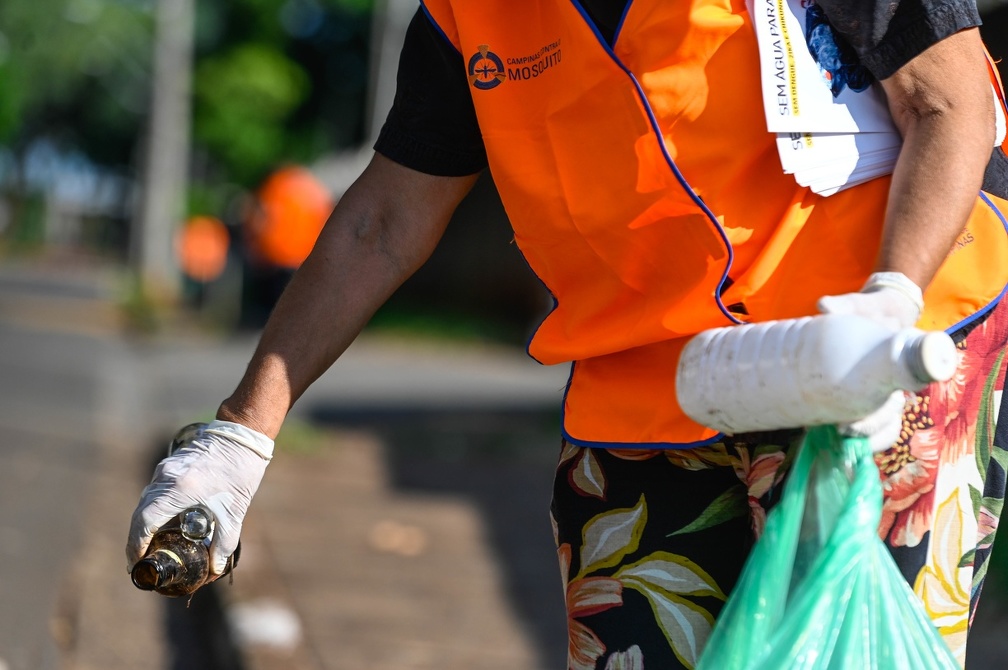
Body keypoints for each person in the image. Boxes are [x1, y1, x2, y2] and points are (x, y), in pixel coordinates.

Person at [127, 2, 1008, 668]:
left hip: (877, 345)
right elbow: (386, 218)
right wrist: (240, 434)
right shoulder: (465, 16)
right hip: (651, 386)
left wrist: (888, 303)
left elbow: (951, 102)